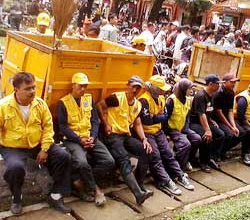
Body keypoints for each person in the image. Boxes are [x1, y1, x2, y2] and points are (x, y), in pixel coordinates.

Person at [0, 72, 71, 215]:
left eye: (33, 87)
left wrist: (44, 149)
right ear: (16, 89)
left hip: (37, 143)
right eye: (27, 88)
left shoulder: (40, 104)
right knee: (15, 167)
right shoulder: (4, 106)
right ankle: (16, 198)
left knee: (63, 156)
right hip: (13, 146)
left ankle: (55, 195)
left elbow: (48, 127)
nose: (32, 91)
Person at [57, 73, 115, 206]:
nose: (83, 89)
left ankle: (79, 181)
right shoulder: (63, 102)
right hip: (73, 139)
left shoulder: (89, 99)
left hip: (90, 137)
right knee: (82, 162)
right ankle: (96, 190)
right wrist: (79, 140)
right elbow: (63, 128)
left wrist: (93, 137)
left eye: (85, 86)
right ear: (73, 86)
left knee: (109, 161)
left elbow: (95, 121)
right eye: (80, 86)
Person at [97, 76, 153, 205]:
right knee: (124, 160)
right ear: (127, 85)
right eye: (133, 86)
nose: (134, 90)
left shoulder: (137, 104)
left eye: (138, 88)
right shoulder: (117, 98)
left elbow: (138, 123)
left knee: (146, 151)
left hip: (125, 135)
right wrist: (105, 123)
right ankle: (138, 194)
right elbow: (99, 105)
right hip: (113, 136)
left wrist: (144, 139)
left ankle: (139, 185)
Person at [139, 75, 194, 195]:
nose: (164, 91)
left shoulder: (161, 98)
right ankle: (165, 181)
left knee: (168, 153)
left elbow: (164, 117)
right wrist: (157, 117)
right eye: (161, 89)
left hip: (158, 131)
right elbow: (147, 120)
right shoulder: (144, 100)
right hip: (147, 132)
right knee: (156, 157)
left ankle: (179, 175)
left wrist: (155, 117)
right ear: (153, 88)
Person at [190, 74, 225, 172]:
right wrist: (208, 130)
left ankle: (210, 158)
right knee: (207, 137)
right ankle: (203, 161)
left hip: (205, 121)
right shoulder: (201, 96)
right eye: (217, 84)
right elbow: (201, 115)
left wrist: (211, 121)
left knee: (220, 134)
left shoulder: (212, 95)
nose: (219, 86)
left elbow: (208, 111)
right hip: (195, 123)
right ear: (210, 84)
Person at [213, 73, 250, 164]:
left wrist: (233, 125)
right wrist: (230, 126)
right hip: (217, 119)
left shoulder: (231, 93)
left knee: (241, 132)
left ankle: (222, 151)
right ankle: (215, 154)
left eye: (234, 82)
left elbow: (230, 111)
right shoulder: (218, 94)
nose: (234, 84)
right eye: (232, 82)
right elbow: (219, 112)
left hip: (227, 118)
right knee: (229, 133)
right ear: (224, 82)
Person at [165, 78, 201, 171]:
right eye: (190, 89)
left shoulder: (188, 100)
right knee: (185, 144)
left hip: (182, 127)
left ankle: (187, 160)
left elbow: (187, 117)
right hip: (172, 128)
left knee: (196, 139)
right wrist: (166, 133)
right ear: (183, 89)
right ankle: (177, 167)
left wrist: (185, 129)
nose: (192, 91)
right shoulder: (171, 100)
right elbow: (165, 118)